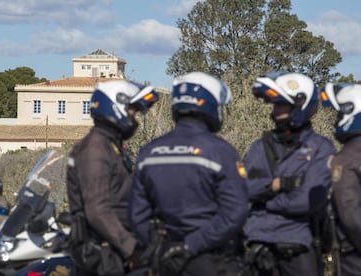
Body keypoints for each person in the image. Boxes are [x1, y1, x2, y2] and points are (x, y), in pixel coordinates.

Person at [129, 72, 249, 276]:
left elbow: (136, 215)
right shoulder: (220, 151)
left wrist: (160, 248)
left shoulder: (148, 152)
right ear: (210, 105)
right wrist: (190, 246)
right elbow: (235, 212)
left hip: (164, 259)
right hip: (211, 258)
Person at [243, 71, 336, 276]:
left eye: (281, 105)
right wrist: (279, 185)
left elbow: (308, 200)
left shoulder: (321, 148)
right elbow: (242, 188)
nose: (275, 111)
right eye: (274, 105)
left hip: (298, 245)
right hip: (258, 244)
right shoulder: (259, 147)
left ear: (300, 104)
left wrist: (263, 202)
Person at [66, 79, 159, 276]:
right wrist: (132, 249)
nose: (135, 119)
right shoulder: (95, 148)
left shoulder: (109, 145)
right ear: (116, 107)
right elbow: (97, 209)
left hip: (114, 250)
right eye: (132, 111)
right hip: (104, 255)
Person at [320, 83, 361, 276]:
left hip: (354, 256)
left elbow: (349, 211)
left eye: (339, 113)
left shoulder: (348, 156)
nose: (336, 120)